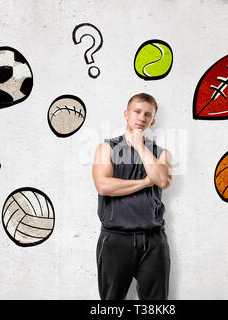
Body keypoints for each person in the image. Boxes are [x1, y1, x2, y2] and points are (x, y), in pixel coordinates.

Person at [92, 93, 173, 300]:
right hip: (116, 239)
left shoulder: (162, 153)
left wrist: (139, 145)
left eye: (147, 115)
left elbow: (162, 181)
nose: (141, 118)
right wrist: (145, 182)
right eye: (137, 112)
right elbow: (104, 186)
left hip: (153, 240)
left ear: (152, 121)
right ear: (127, 114)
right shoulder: (106, 148)